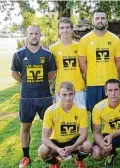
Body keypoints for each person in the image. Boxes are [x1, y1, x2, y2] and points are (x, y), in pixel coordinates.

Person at [11, 25, 56, 168]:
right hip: (26, 97)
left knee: (50, 127)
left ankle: (52, 155)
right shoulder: (18, 54)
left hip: (44, 96)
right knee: (25, 126)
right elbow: (15, 73)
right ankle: (26, 157)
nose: (34, 36)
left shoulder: (47, 55)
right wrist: (26, 83)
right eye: (31, 33)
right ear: (27, 35)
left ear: (40, 34)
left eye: (37, 33)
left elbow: (51, 74)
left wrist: (40, 83)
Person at [78, 9, 120, 112]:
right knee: (95, 114)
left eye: (103, 18)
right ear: (93, 21)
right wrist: (91, 74)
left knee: (114, 114)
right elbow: (82, 63)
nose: (100, 21)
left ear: (107, 20)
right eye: (97, 18)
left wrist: (111, 74)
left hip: (111, 84)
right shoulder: (85, 40)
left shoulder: (115, 39)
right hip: (93, 84)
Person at [38, 81, 91, 168]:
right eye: (64, 95)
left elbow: (84, 135)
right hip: (56, 142)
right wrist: (57, 149)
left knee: (87, 146)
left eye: (71, 94)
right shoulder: (50, 111)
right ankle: (55, 163)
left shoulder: (81, 109)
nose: (68, 98)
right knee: (43, 151)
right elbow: (44, 137)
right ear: (59, 94)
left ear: (74, 94)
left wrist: (73, 147)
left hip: (74, 140)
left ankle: (78, 160)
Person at [91, 79, 120, 168]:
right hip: (107, 134)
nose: (113, 93)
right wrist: (102, 145)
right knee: (96, 153)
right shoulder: (98, 108)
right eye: (110, 90)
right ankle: (112, 153)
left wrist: (112, 136)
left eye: (116, 90)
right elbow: (96, 133)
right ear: (106, 92)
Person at [50, 17, 86, 106]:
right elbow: (52, 71)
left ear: (72, 29)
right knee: (62, 118)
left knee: (80, 116)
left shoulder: (79, 46)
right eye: (62, 28)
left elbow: (83, 66)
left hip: (78, 88)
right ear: (58, 30)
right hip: (61, 89)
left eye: (67, 27)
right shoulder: (53, 48)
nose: (65, 30)